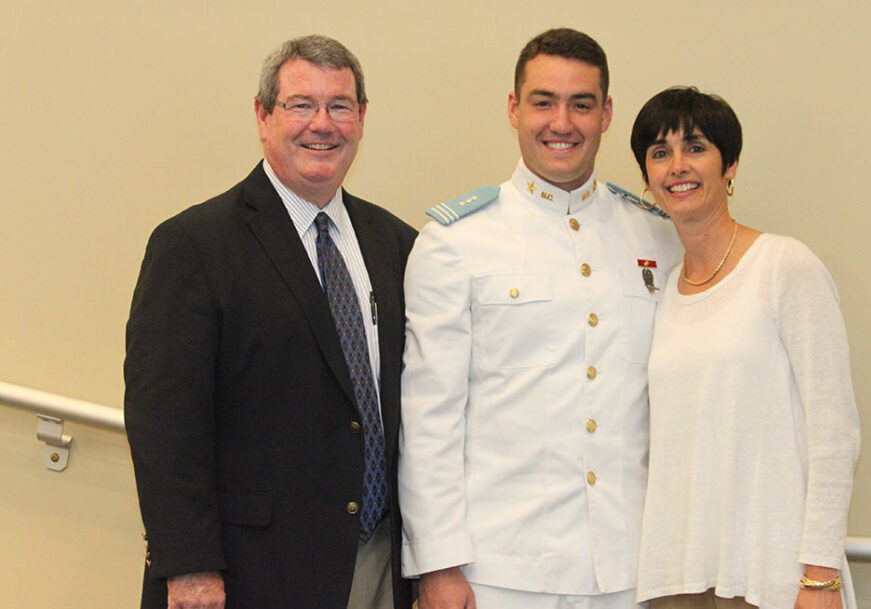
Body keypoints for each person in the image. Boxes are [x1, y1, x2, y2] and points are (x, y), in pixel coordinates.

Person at [123, 35, 416, 609]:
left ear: (361, 118)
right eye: (301, 105)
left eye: (340, 106)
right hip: (248, 572)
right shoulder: (194, 245)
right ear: (263, 115)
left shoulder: (396, 245)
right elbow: (164, 424)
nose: (322, 124)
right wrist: (188, 567)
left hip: (379, 564)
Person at [398, 28, 681, 609]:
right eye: (543, 101)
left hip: (631, 568)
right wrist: (438, 567)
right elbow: (431, 420)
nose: (562, 122)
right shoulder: (456, 242)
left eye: (581, 104)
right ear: (513, 108)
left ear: (606, 114)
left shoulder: (656, 236)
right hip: (500, 572)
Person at [628, 86, 860, 609]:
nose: (677, 166)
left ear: (730, 166)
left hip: (773, 577)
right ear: (647, 179)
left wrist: (820, 578)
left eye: (696, 147)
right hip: (678, 580)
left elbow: (834, 433)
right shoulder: (662, 292)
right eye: (660, 153)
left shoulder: (783, 266)